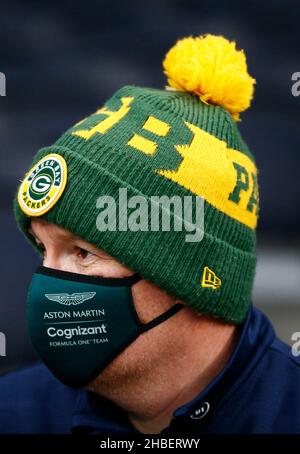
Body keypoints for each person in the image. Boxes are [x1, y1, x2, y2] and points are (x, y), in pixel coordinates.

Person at [0, 34, 299, 434]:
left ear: (194, 277)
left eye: (83, 252)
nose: (43, 286)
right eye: (43, 249)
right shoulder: (13, 413)